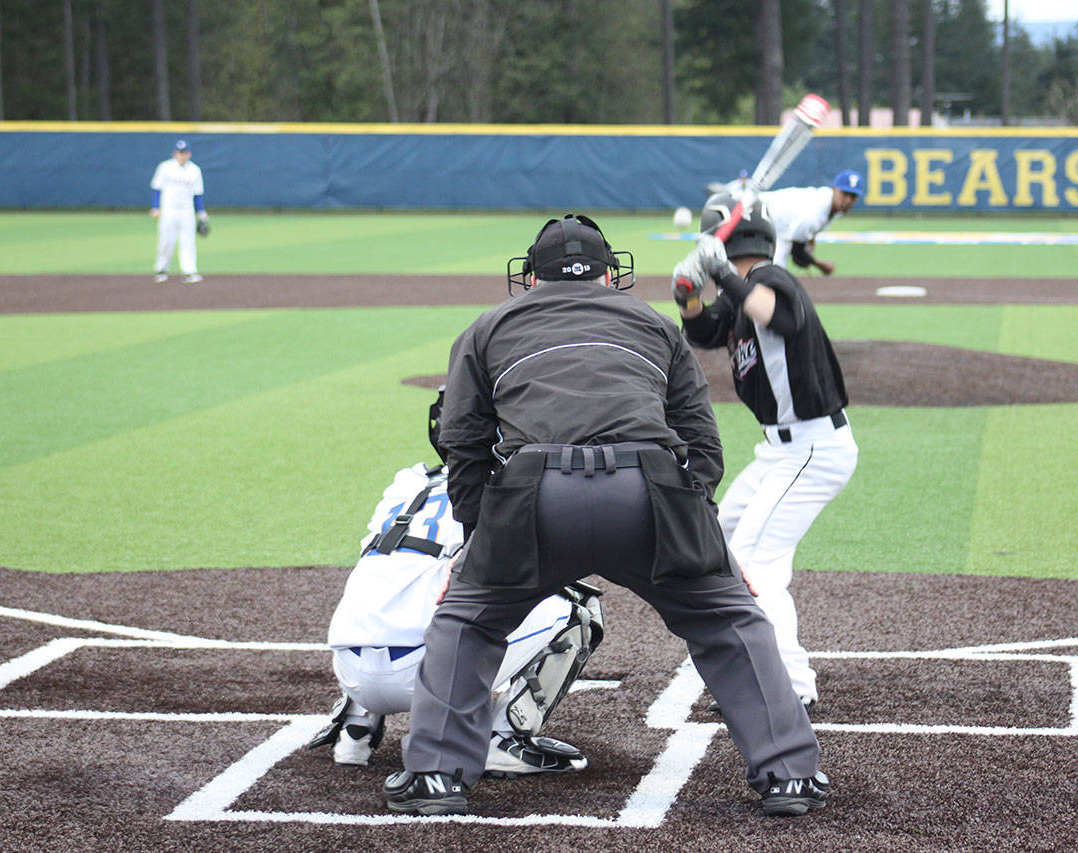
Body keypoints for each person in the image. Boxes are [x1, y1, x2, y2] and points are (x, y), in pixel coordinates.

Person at [384, 214, 829, 819]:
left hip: (531, 497)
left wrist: (476, 542)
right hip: (649, 492)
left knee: (467, 621)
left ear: (531, 277)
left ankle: (438, 775)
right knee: (728, 618)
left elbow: (461, 442)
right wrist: (705, 545)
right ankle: (790, 776)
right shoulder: (650, 322)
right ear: (608, 273)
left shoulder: (487, 326)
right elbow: (701, 445)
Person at [308, 396, 602, 778]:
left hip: (348, 668)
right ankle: (505, 739)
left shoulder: (408, 482)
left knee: (394, 578)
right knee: (577, 606)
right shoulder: (516, 487)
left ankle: (355, 727)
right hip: (431, 677)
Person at [672, 194, 858, 711]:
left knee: (758, 560)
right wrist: (688, 295)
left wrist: (720, 273)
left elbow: (782, 318)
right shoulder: (743, 293)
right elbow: (705, 330)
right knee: (723, 539)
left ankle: (790, 686)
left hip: (813, 448)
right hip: (780, 451)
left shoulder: (773, 281)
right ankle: (738, 655)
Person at [707, 170, 863, 274]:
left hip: (774, 223)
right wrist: (820, 265)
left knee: (767, 274)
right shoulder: (814, 215)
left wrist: (810, 238)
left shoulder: (830, 203)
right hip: (757, 215)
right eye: (844, 194)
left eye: (853, 197)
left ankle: (731, 193)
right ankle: (729, 194)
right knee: (770, 275)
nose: (847, 200)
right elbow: (798, 253)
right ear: (835, 189)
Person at [149, 139, 209, 284]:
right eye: (180, 152)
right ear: (174, 153)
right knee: (166, 241)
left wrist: (201, 213)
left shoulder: (195, 170)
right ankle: (161, 269)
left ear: (189, 154)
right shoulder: (165, 167)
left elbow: (197, 194)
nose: (182, 155)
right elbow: (157, 188)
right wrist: (155, 207)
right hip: (168, 210)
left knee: (188, 241)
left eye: (185, 152)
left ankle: (189, 271)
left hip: (186, 211)